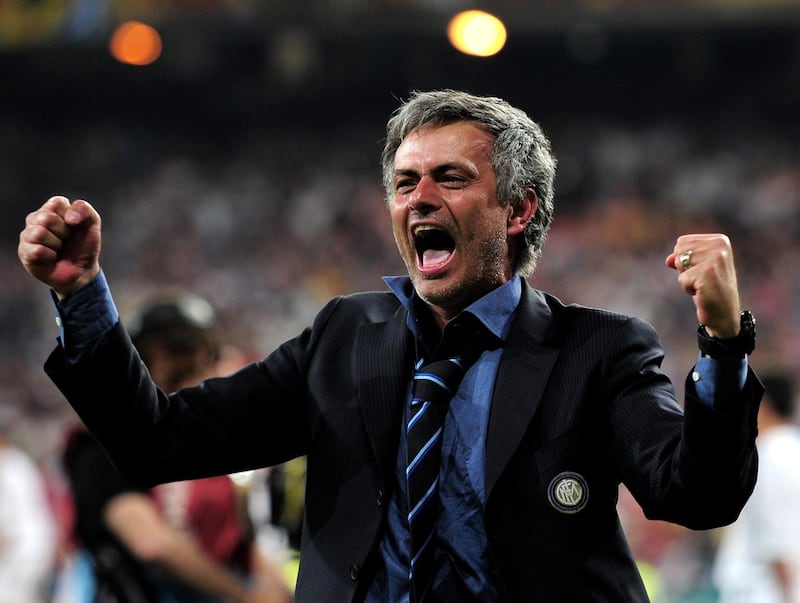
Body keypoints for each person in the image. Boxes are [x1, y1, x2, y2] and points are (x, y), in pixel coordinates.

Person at [18, 89, 763, 602]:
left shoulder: (597, 350)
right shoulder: (345, 336)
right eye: (404, 182)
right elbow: (159, 441)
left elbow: (696, 493)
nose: (419, 198)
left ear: (518, 208)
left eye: (450, 177)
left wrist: (723, 343)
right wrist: (81, 296)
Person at [55, 294, 292, 603]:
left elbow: (242, 540)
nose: (186, 362)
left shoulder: (205, 433)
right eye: (173, 348)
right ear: (141, 357)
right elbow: (150, 542)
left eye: (195, 350)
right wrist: (243, 596)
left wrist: (275, 590)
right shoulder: (101, 443)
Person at [713, 371, 800, 602]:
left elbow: (777, 538)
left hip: (761, 590)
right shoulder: (793, 450)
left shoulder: (769, 455)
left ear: (764, 405)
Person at [0, 417, 57, 603]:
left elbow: (10, 514)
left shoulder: (9, 465)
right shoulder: (18, 461)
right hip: (37, 542)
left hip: (23, 547)